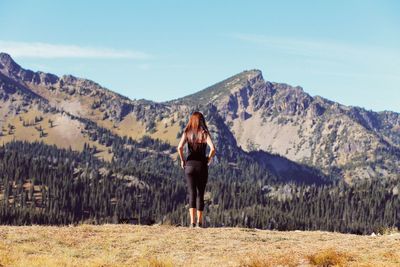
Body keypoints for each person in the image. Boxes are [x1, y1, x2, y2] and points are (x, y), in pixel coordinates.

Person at [177, 111, 216, 228]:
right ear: (201, 121)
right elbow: (213, 148)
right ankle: (199, 223)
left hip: (189, 166)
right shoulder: (204, 133)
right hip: (202, 166)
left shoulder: (187, 132)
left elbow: (179, 147)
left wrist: (182, 160)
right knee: (200, 194)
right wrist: (208, 158)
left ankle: (191, 223)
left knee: (191, 193)